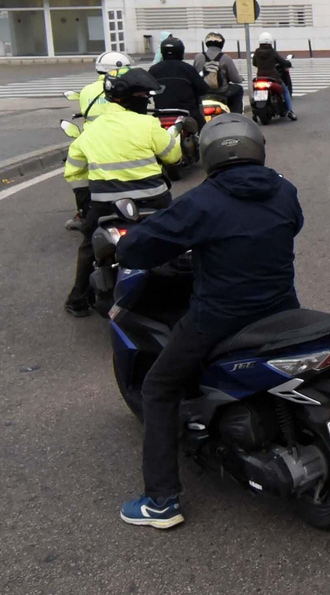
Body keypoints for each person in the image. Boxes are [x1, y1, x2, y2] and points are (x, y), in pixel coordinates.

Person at [115, 114, 304, 530]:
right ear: (257, 147)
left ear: (208, 155)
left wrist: (127, 245)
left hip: (220, 318)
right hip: (284, 312)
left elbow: (140, 249)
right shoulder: (284, 190)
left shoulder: (202, 201)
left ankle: (161, 501)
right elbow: (292, 227)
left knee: (159, 387)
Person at [62, 69, 182, 317]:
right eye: (146, 97)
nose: (148, 102)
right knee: (177, 237)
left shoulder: (92, 130)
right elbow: (174, 156)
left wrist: (84, 200)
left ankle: (78, 299)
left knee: (88, 245)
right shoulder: (148, 124)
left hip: (106, 205)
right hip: (154, 201)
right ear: (136, 99)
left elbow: (73, 170)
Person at [66, 51, 133, 230]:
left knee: (74, 171)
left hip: (91, 143)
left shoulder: (87, 91)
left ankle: (83, 212)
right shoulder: (126, 87)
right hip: (123, 139)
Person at [148, 35, 212, 128]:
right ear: (181, 51)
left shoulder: (154, 70)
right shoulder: (188, 69)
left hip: (161, 114)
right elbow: (203, 89)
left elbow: (146, 90)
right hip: (187, 114)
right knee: (204, 131)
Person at [252, 32, 296, 120]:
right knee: (286, 91)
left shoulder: (257, 51)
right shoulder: (272, 52)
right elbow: (282, 61)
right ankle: (290, 111)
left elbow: (254, 63)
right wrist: (288, 63)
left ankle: (255, 112)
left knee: (255, 93)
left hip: (260, 77)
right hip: (273, 77)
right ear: (270, 41)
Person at [198, 32, 245, 114]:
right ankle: (236, 117)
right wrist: (241, 78)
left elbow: (194, 75)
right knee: (239, 89)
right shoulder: (225, 58)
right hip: (222, 92)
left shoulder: (198, 57)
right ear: (221, 44)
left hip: (203, 92)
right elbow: (235, 79)